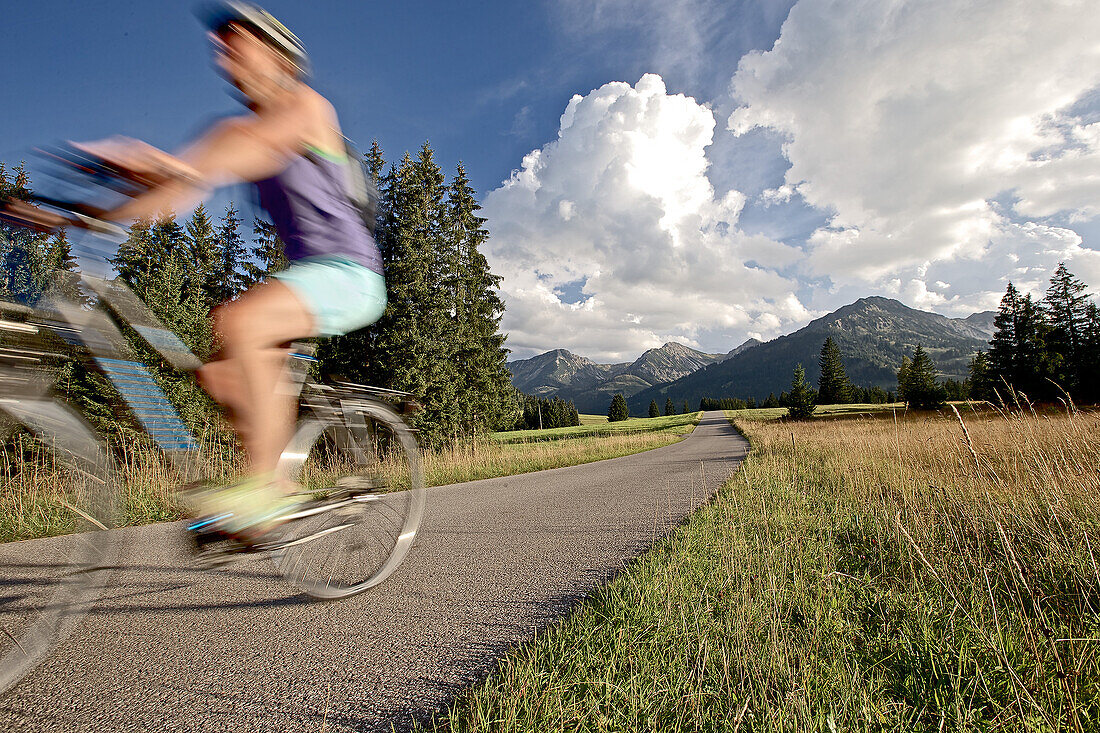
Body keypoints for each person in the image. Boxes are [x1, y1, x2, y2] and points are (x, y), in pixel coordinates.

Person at [10, 2, 387, 543]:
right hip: (307, 277)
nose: (223, 50)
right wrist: (75, 216)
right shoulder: (232, 128)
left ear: (279, 55)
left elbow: (242, 152)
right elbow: (177, 192)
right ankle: (276, 480)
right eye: (220, 44)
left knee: (243, 322)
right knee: (221, 375)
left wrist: (149, 161)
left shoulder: (306, 106)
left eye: (238, 39)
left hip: (350, 273)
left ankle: (265, 494)